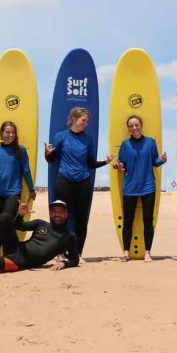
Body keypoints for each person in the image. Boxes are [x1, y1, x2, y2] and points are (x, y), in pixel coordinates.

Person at [44, 107, 113, 262]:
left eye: (87, 121)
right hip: (64, 180)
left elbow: (90, 163)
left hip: (83, 181)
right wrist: (47, 153)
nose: (85, 124)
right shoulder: (61, 136)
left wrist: (106, 162)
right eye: (83, 120)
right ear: (73, 119)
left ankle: (78, 253)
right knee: (60, 218)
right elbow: (51, 160)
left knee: (81, 219)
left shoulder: (88, 139)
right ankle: (60, 253)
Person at [0, 121, 36, 258]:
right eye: (7, 132)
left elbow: (26, 171)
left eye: (12, 133)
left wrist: (32, 189)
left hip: (13, 191)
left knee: (6, 219)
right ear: (2, 134)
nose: (10, 135)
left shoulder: (20, 150)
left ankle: (7, 252)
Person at [113, 115, 167, 262]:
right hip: (130, 187)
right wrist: (117, 166)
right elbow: (119, 163)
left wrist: (162, 160)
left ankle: (147, 252)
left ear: (141, 126)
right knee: (128, 221)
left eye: (136, 125)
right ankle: (126, 252)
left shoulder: (150, 142)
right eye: (131, 126)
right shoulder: (125, 145)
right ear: (129, 128)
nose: (134, 128)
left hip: (148, 187)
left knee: (148, 221)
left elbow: (155, 162)